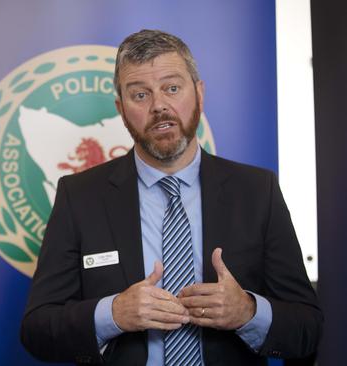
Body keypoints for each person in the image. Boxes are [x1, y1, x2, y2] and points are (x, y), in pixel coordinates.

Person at [20, 29, 322, 366]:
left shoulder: (256, 190)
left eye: (172, 88)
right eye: (140, 95)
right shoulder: (79, 197)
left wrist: (248, 312)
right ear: (121, 109)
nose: (159, 105)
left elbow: (308, 327)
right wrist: (113, 313)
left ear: (200, 94)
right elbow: (37, 329)